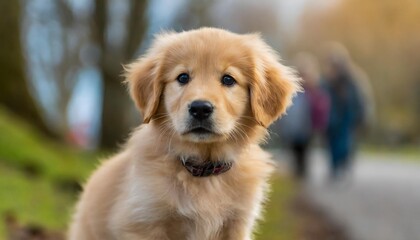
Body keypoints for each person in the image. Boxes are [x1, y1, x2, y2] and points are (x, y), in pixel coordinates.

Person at [322, 43, 372, 179]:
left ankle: (344, 166)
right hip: (332, 118)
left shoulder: (354, 78)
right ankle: (334, 168)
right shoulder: (327, 80)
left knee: (345, 143)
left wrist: (363, 116)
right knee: (332, 144)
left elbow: (362, 98)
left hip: (348, 116)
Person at [280, 53, 329, 180]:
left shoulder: (314, 92)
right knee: (295, 150)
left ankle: (303, 173)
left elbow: (321, 109)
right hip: (293, 127)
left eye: (305, 74)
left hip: (307, 127)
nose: (303, 77)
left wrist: (319, 125)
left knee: (304, 151)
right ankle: (298, 173)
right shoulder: (292, 91)